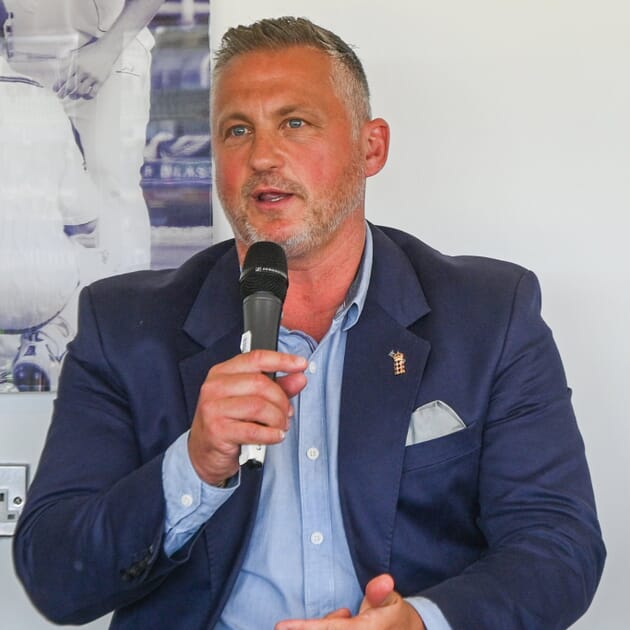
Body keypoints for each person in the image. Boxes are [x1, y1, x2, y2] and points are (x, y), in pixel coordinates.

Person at [13, 16, 605, 629]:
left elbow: (557, 546)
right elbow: (56, 579)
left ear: (371, 148)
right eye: (237, 130)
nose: (262, 156)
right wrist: (194, 464)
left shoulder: (489, 314)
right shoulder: (123, 326)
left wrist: (422, 622)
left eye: (294, 123)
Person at [2, 0, 165, 273]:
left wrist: (109, 49)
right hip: (20, 54)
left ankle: (123, 294)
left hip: (107, 47)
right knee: (23, 185)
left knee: (111, 180)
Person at [0, 23, 104, 391]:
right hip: (39, 296)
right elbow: (85, 218)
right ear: (7, 30)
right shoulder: (43, 101)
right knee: (94, 253)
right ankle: (44, 343)